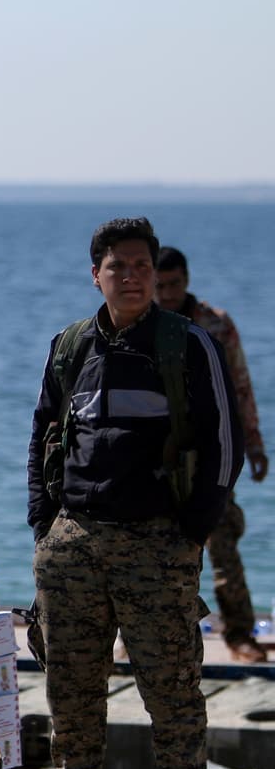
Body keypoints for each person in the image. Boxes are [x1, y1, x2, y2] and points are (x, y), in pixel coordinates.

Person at [15, 217, 241, 769]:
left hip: (156, 543)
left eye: (143, 265)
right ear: (97, 276)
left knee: (171, 688)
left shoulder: (187, 344)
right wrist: (44, 523)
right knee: (70, 685)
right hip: (73, 543)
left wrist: (190, 532)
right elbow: (42, 437)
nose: (133, 276)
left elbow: (226, 445)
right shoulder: (70, 346)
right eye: (119, 266)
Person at [155, 246, 269, 663]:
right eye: (160, 286)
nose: (167, 294)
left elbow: (241, 384)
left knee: (224, 546)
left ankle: (239, 634)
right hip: (158, 460)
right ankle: (136, 638)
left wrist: (253, 445)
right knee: (149, 550)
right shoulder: (142, 323)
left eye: (174, 285)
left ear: (187, 280)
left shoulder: (215, 324)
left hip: (213, 455)